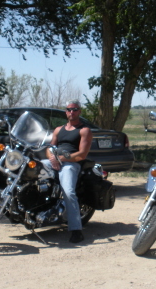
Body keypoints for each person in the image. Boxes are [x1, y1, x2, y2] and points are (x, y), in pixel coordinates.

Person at [42, 100, 93, 243]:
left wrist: (61, 159)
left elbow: (82, 154)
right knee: (31, 169)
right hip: (55, 162)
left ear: (79, 112)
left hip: (71, 164)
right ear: (66, 112)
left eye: (75, 109)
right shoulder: (58, 129)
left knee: (69, 192)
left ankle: (76, 230)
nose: (72, 112)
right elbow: (49, 148)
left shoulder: (84, 130)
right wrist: (52, 158)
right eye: (69, 109)